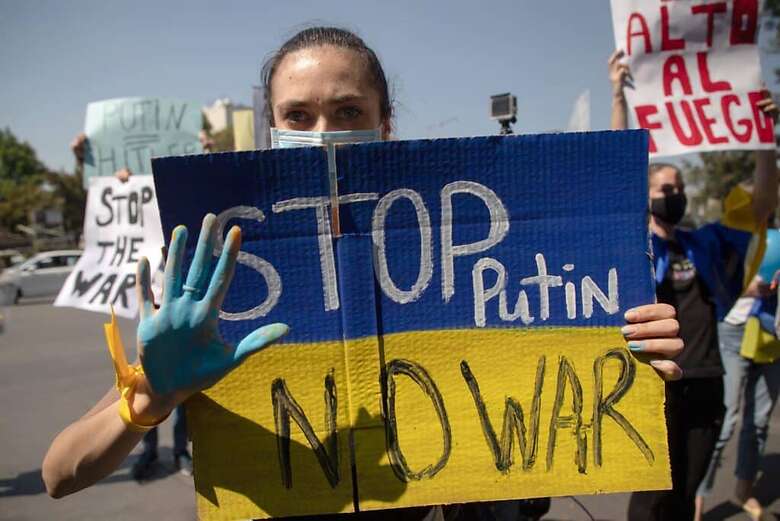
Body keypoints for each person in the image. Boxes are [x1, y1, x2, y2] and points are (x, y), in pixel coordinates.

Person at [43, 28, 685, 520]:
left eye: (347, 111)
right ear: (272, 128)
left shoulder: (472, 255)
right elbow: (59, 473)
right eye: (299, 116)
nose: (323, 133)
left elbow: (555, 426)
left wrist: (622, 350)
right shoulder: (220, 278)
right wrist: (153, 395)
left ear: (385, 124)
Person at [608, 49, 779, 520]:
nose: (676, 193)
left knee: (686, 493)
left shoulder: (704, 242)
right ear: (644, 195)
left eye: (680, 186)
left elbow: (762, 202)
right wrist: (618, 97)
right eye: (666, 187)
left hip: (705, 381)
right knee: (651, 496)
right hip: (655, 379)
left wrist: (767, 134)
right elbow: (620, 166)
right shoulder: (635, 246)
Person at [70, 135, 194, 480]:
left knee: (182, 393)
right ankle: (150, 451)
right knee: (145, 385)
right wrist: (97, 169)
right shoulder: (134, 199)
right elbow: (102, 209)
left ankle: (181, 450)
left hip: (180, 308)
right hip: (149, 312)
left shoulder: (178, 203)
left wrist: (207, 149)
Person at [695, 277, 780, 521]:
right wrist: (743, 288)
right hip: (734, 327)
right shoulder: (742, 236)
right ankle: (697, 500)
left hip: (773, 336)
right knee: (724, 420)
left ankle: (744, 491)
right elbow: (711, 271)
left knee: (759, 422)